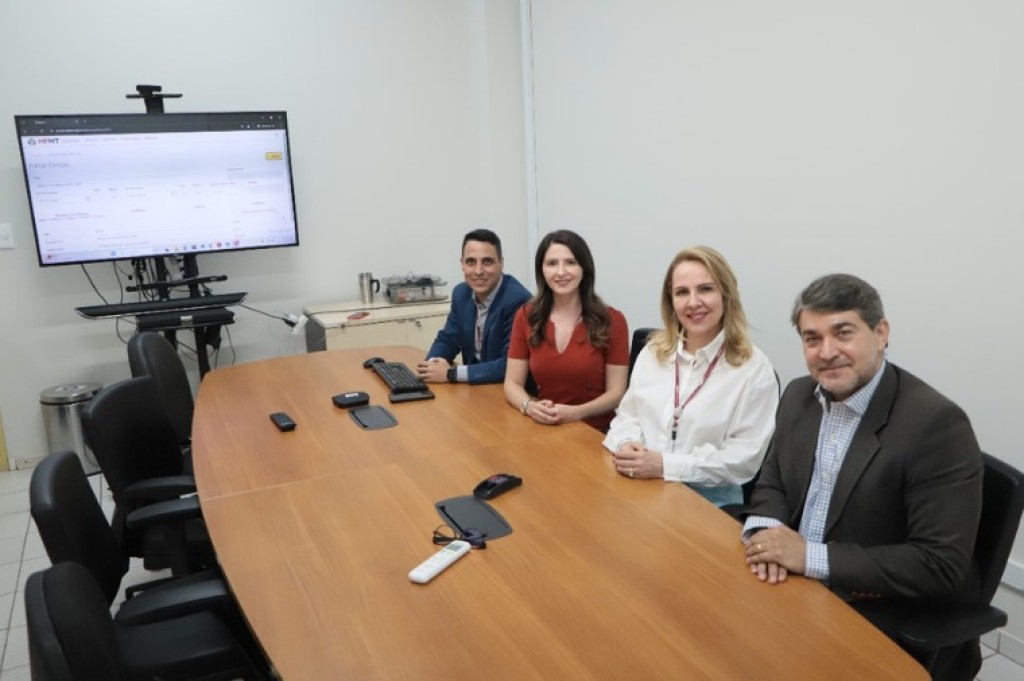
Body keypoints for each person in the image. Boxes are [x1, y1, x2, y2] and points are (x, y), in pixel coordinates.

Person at [742, 273, 983, 680]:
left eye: (843, 333)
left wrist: (808, 556)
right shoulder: (799, 395)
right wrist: (766, 535)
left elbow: (939, 564)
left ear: (881, 332)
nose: (827, 352)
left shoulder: (936, 425)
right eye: (812, 338)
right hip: (792, 589)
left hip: (873, 611)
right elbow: (773, 481)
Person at [603, 246, 778, 507]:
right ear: (671, 301)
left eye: (705, 289)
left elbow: (743, 460)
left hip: (708, 505)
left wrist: (666, 465)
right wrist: (627, 443)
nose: (693, 302)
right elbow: (628, 416)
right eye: (682, 292)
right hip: (640, 490)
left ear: (726, 294)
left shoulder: (754, 369)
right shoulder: (652, 352)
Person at [504, 229, 629, 432]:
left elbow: (617, 393)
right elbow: (512, 383)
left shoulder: (613, 320)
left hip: (595, 431)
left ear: (584, 268)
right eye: (552, 263)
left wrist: (577, 412)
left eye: (571, 262)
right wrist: (530, 407)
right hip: (544, 426)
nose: (561, 272)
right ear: (542, 270)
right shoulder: (526, 316)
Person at [418, 229, 531, 384]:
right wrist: (433, 364)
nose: (478, 271)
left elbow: (509, 365)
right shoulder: (461, 294)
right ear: (462, 264)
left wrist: (451, 374)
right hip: (476, 389)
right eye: (471, 262)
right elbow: (448, 339)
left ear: (501, 263)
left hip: (506, 389)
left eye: (487, 262)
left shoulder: (518, 301)